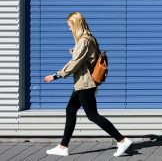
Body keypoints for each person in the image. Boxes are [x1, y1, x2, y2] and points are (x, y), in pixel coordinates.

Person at [42, 11, 133, 157]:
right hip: (83, 83)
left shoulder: (84, 41)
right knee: (71, 110)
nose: (69, 29)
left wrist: (56, 75)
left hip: (85, 83)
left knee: (92, 115)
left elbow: (75, 63)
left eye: (70, 26)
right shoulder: (89, 38)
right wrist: (75, 51)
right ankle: (63, 146)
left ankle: (122, 140)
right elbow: (86, 58)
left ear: (76, 24)